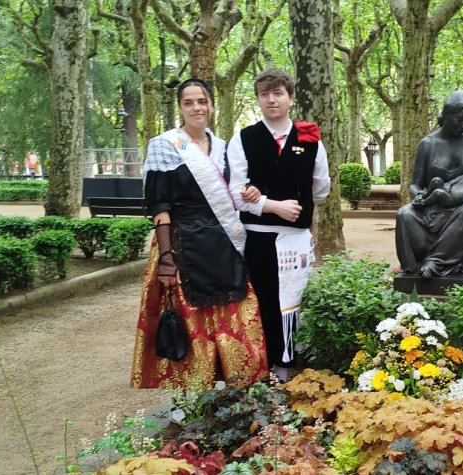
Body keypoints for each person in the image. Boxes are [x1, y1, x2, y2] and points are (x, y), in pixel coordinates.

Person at [131, 78, 268, 389]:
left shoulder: (224, 147)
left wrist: (252, 192)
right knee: (190, 320)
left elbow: (234, 192)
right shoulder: (164, 146)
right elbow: (160, 206)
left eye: (202, 101)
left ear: (211, 106)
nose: (196, 108)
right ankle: (195, 393)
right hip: (181, 245)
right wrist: (166, 258)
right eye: (189, 102)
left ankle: (235, 387)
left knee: (234, 314)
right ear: (180, 108)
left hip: (221, 243)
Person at [227, 68, 330, 382]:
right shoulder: (243, 138)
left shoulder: (310, 139)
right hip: (258, 237)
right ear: (258, 99)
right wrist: (273, 206)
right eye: (264, 94)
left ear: (290, 98)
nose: (271, 100)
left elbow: (321, 187)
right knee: (262, 301)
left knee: (293, 301)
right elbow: (236, 193)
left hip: (296, 238)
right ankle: (261, 367)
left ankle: (287, 367)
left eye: (278, 93)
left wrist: (295, 210)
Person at [395, 91, 463, 279]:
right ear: (447, 114)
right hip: (434, 204)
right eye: (459, 119)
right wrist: (419, 197)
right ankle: (415, 269)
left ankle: (435, 262)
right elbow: (415, 184)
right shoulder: (428, 144)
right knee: (404, 214)